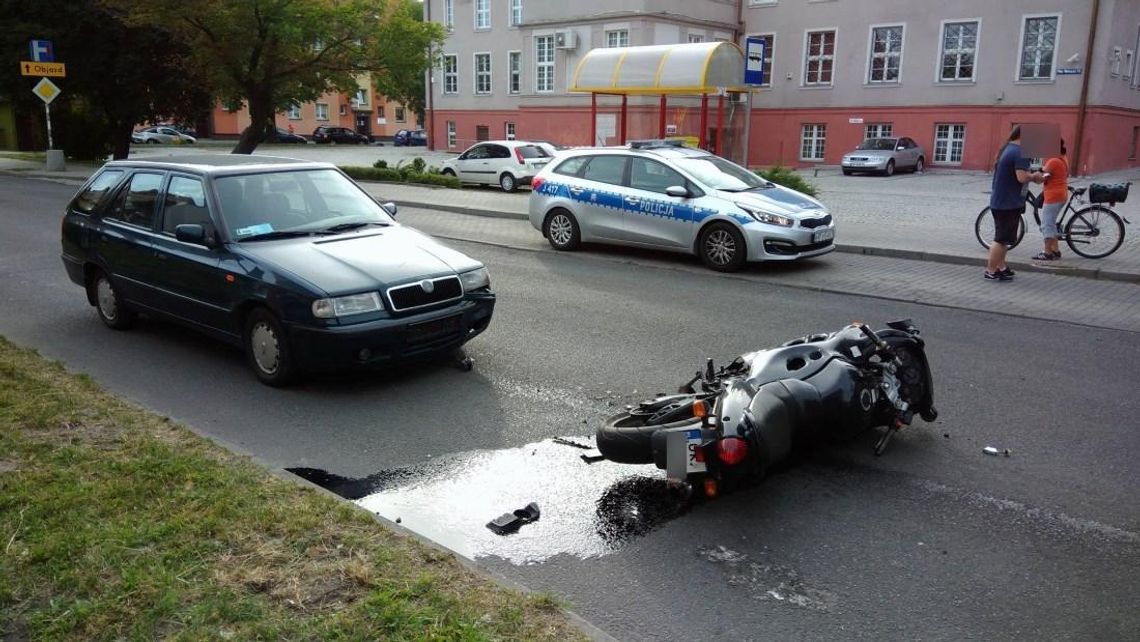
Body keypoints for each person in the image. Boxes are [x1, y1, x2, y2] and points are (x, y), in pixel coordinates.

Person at [986, 126, 1045, 281]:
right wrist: (1035, 176)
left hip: (1003, 200)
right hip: (1008, 202)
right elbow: (1021, 177)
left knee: (1005, 239)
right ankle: (991, 270)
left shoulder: (1009, 148)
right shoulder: (1020, 152)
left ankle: (1001, 267)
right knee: (1001, 240)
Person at [1034, 139, 1068, 261]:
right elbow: (1048, 171)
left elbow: (1042, 178)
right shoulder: (1062, 158)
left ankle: (1047, 252)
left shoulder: (1053, 160)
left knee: (1046, 225)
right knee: (1051, 223)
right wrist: (1043, 169)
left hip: (1053, 196)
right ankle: (1056, 250)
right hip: (1061, 194)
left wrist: (1032, 176)